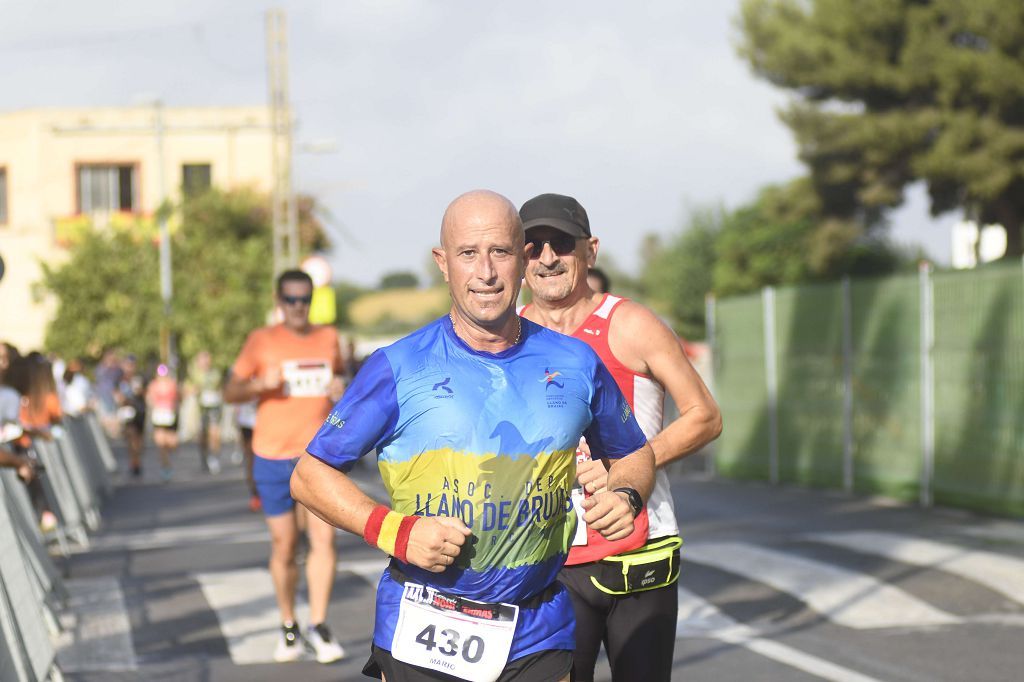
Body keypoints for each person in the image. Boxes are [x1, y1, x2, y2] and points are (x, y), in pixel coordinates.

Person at [291, 190, 657, 682]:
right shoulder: (397, 367)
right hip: (423, 621)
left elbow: (633, 452)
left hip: (538, 629)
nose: (485, 273)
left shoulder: (575, 363)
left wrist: (628, 493)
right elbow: (310, 475)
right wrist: (394, 530)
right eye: (468, 254)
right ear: (443, 263)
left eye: (500, 253)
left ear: (524, 258)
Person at [518, 193, 722, 682]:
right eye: (533, 246)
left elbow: (704, 416)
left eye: (561, 244)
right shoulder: (512, 335)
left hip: (638, 549)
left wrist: (626, 464)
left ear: (590, 250)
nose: (547, 258)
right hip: (550, 557)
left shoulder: (630, 323)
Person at [223, 269, 347, 664]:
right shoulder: (261, 340)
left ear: (311, 300)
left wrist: (341, 387)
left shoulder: (329, 338)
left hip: (318, 457)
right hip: (272, 456)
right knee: (285, 546)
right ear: (279, 302)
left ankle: (320, 625)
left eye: (304, 299)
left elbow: (344, 379)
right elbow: (229, 391)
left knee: (324, 541)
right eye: (290, 299)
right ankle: (289, 624)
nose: (297, 307)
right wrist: (260, 385)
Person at [186, 350, 224, 474]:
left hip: (214, 407)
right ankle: (204, 456)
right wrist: (193, 390)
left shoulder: (215, 373)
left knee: (215, 433)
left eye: (207, 359)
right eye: (203, 359)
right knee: (202, 436)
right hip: (200, 409)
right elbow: (187, 388)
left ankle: (214, 457)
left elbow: (221, 388)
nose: (205, 362)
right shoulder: (194, 374)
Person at [146, 363, 180, 482]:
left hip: (170, 417)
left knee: (172, 443)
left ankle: (167, 460)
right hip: (159, 417)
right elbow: (150, 398)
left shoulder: (172, 384)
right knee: (161, 443)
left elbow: (178, 398)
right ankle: (165, 467)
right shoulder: (153, 385)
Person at [115, 355, 147, 478]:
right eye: (127, 365)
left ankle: (137, 460)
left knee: (138, 441)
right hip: (127, 413)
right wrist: (120, 398)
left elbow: (145, 393)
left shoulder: (140, 378)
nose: (129, 368)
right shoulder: (120, 379)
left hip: (140, 412)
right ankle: (133, 463)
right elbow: (116, 393)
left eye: (132, 365)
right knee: (130, 438)